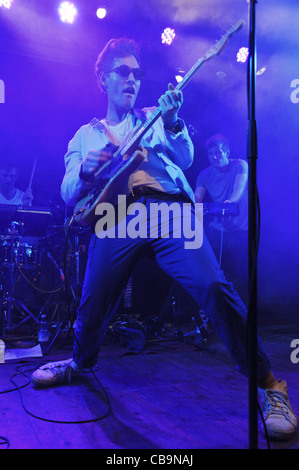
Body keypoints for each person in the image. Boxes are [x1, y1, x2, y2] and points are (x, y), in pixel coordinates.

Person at [31, 38, 297, 441]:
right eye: (123, 72)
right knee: (93, 302)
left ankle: (269, 384)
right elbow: (69, 191)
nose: (132, 80)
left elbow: (186, 157)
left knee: (212, 285)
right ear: (103, 78)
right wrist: (85, 170)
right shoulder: (85, 135)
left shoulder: (155, 116)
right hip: (114, 215)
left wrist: (173, 122)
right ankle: (79, 363)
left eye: (137, 74)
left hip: (170, 212)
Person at [195, 135, 248, 303]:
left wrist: (230, 203)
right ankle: (215, 310)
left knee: (240, 273)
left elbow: (239, 188)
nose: (215, 157)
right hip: (218, 229)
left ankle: (241, 312)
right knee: (214, 270)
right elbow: (196, 200)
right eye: (211, 154)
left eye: (218, 153)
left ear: (227, 152)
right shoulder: (204, 174)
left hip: (240, 230)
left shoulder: (240, 165)